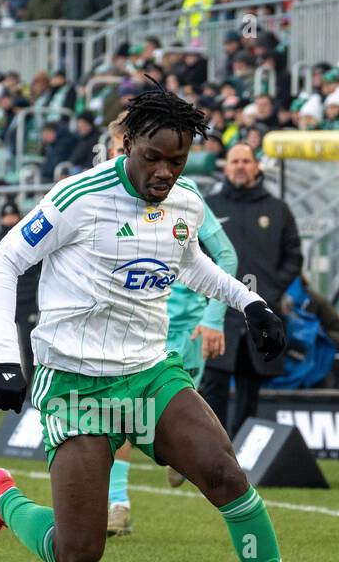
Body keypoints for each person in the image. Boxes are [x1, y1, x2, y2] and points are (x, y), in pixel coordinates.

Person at [0, 82, 336, 562]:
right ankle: (0, 499)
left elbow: (195, 265)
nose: (164, 172)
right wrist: (6, 356)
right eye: (153, 158)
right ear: (127, 143)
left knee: (226, 476)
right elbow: (4, 261)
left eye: (177, 161)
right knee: (79, 552)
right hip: (77, 385)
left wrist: (250, 305)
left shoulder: (185, 202)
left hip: (148, 374)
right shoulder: (78, 198)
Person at [100, 112, 239, 534]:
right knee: (119, 415)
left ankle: (178, 457)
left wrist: (215, 318)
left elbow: (225, 256)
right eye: (114, 147)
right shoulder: (102, 198)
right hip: (136, 329)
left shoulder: (183, 197)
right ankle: (118, 505)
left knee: (173, 422)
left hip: (186, 327)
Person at [199, 142, 302, 439]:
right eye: (235, 161)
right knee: (213, 385)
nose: (241, 166)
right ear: (226, 167)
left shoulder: (277, 209)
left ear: (256, 167)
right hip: (218, 313)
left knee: (251, 385)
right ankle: (212, 450)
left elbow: (294, 256)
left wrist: (270, 291)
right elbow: (194, 253)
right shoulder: (211, 207)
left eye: (246, 161)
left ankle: (243, 452)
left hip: (258, 312)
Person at [0, 201, 40, 380]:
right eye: (6, 217)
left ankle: (30, 388)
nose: (10, 220)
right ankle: (4, 383)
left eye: (13, 216)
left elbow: (40, 267)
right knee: (2, 346)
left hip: (27, 301)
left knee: (29, 347)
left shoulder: (30, 238)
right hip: (4, 302)